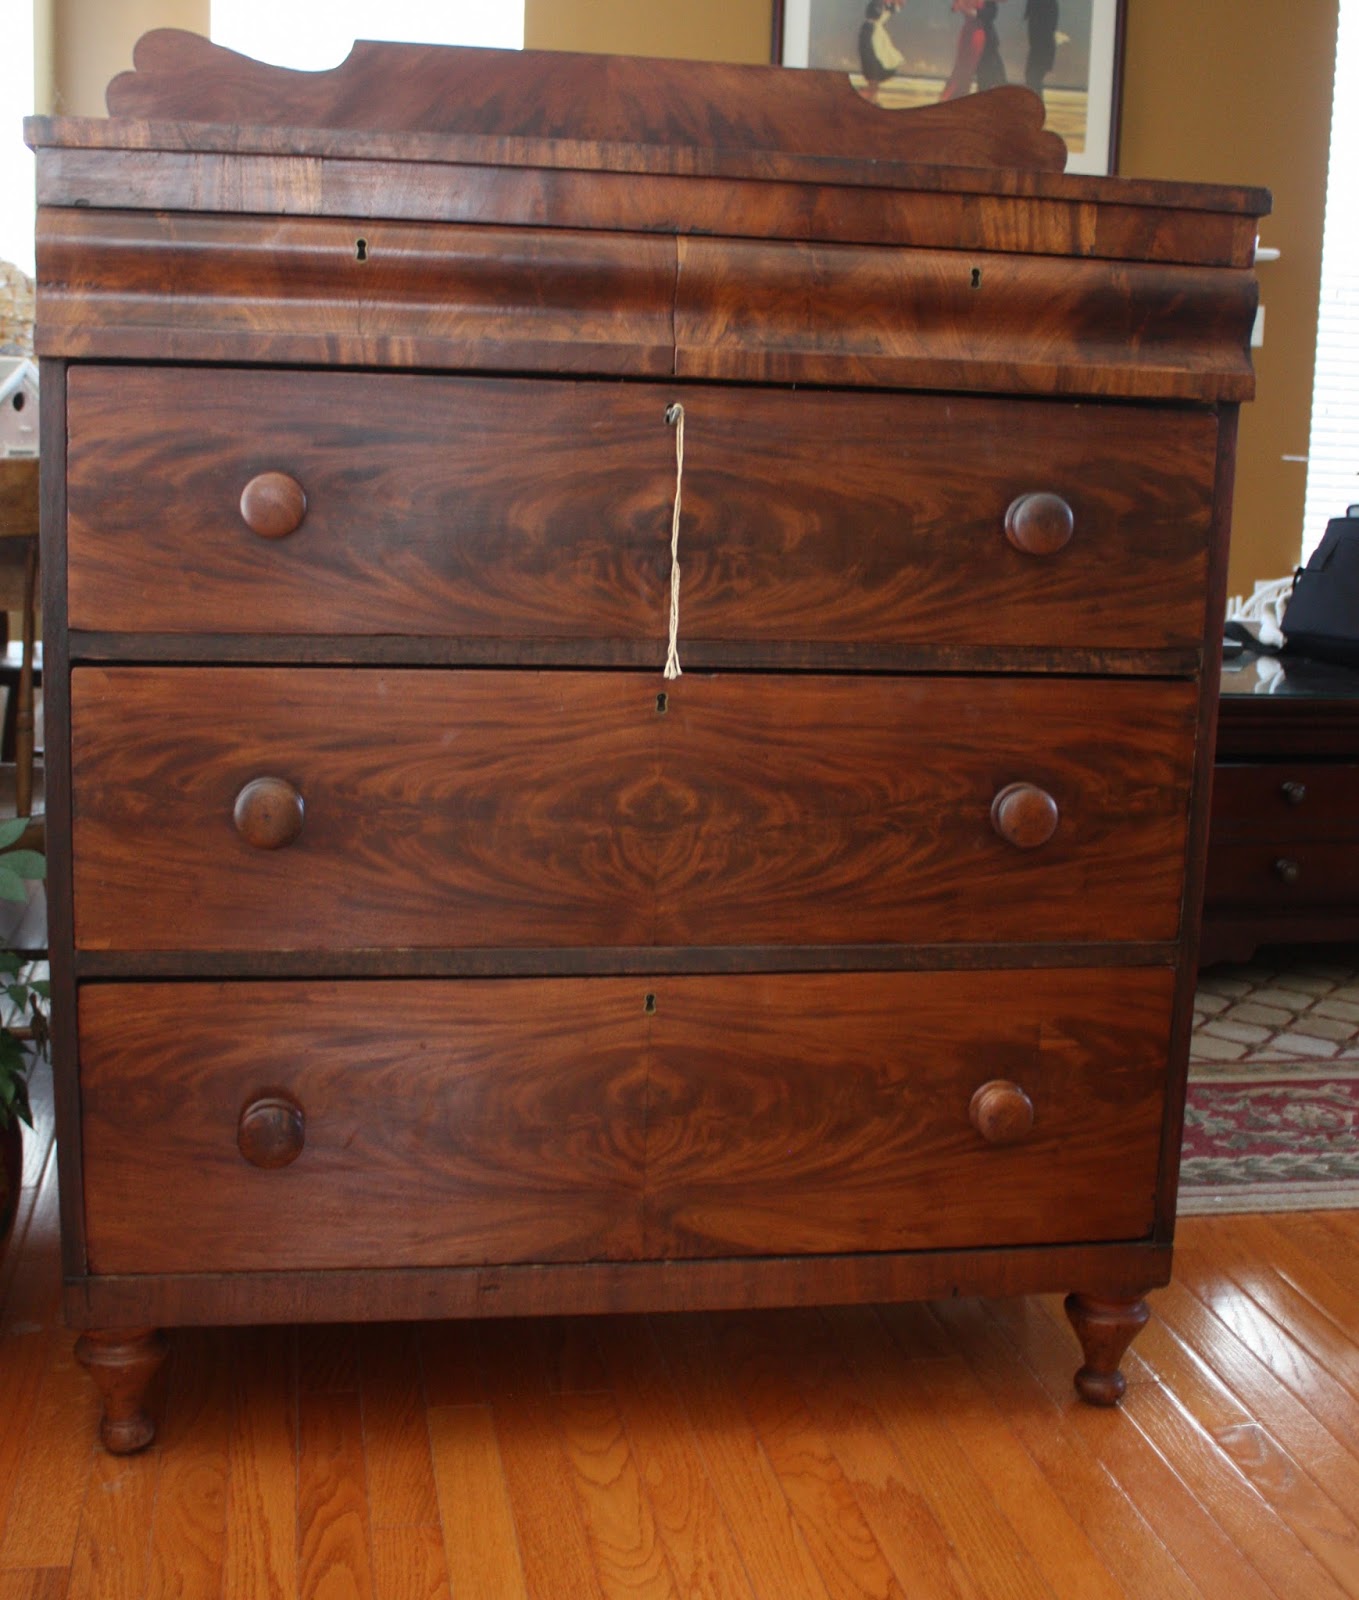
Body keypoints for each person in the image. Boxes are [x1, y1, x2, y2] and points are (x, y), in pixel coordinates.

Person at [939, 0, 1009, 102]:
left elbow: (990, 14)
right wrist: (963, 8)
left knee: (991, 76)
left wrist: (967, 10)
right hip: (972, 38)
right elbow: (954, 8)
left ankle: (998, 102)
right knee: (966, 72)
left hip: (983, 39)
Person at [858, 0, 905, 102]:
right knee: (873, 74)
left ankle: (871, 99)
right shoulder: (876, 8)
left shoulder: (883, 8)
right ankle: (869, 99)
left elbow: (893, 8)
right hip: (871, 37)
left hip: (875, 37)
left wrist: (894, 5)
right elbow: (875, 14)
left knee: (874, 78)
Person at [1025, 0, 1059, 95]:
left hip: (1041, 47)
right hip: (1041, 47)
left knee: (1033, 78)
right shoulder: (1047, 5)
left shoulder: (1043, 5)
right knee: (1033, 79)